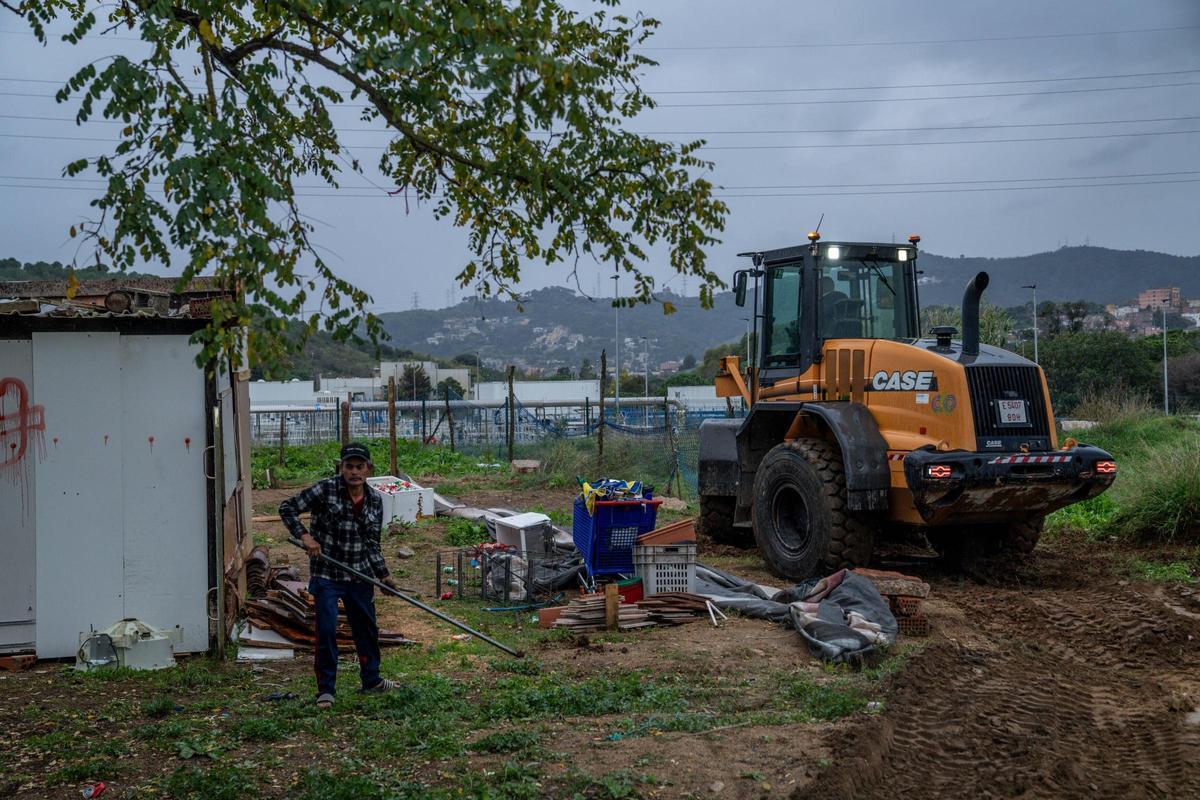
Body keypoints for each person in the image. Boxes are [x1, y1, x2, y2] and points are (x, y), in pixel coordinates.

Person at [279, 442, 400, 708]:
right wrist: (305, 536)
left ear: (369, 470)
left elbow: (372, 543)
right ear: (341, 467)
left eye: (360, 467)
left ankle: (372, 680)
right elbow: (287, 508)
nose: (354, 472)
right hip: (327, 574)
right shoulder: (325, 490)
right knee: (327, 630)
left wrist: (384, 576)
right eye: (349, 466)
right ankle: (326, 690)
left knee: (366, 630)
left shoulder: (375, 500)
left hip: (360, 576)